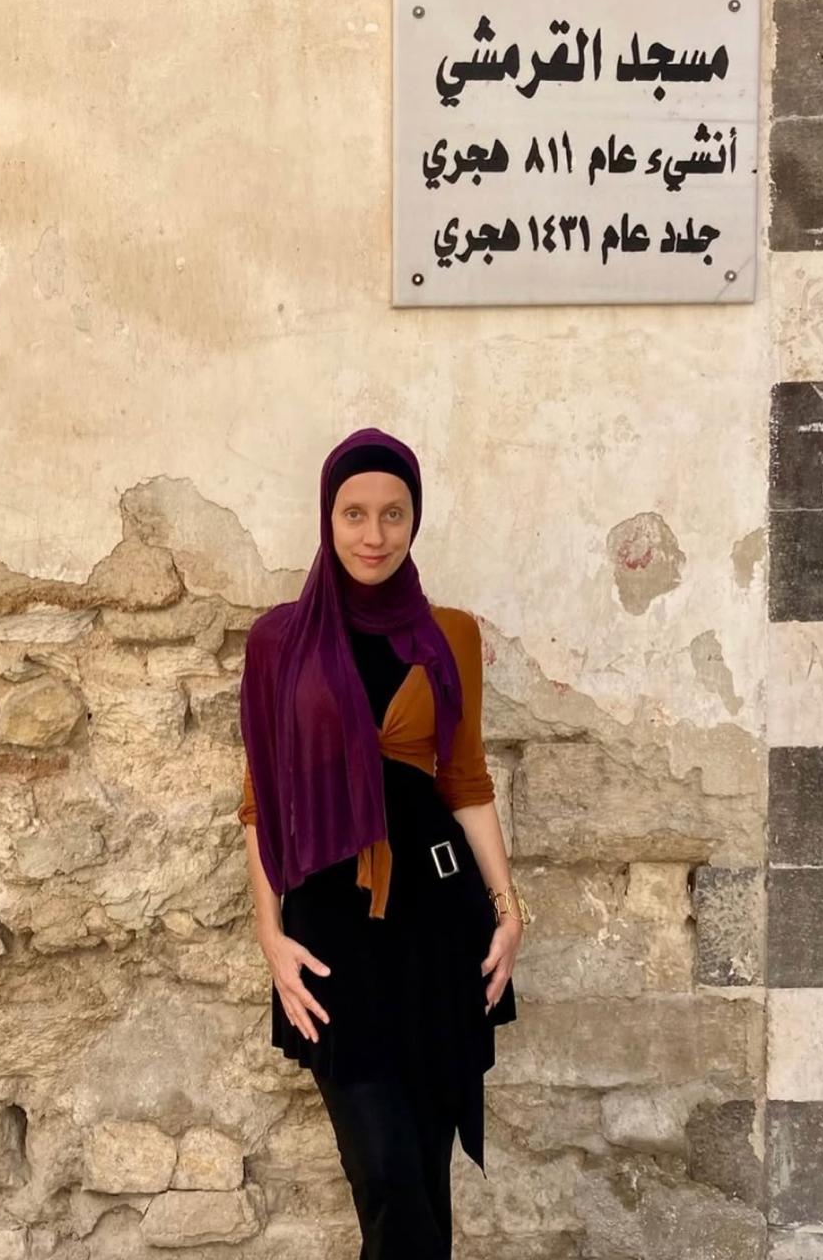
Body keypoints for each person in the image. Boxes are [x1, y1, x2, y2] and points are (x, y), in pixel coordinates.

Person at [237, 426, 531, 1259]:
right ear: (328, 519)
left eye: (393, 513)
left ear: (414, 520)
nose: (375, 534)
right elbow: (262, 801)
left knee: (425, 1185)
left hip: (440, 924)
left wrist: (509, 911)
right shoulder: (279, 642)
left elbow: (465, 782)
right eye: (355, 513)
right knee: (390, 1180)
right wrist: (270, 935)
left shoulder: (450, 635)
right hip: (332, 931)